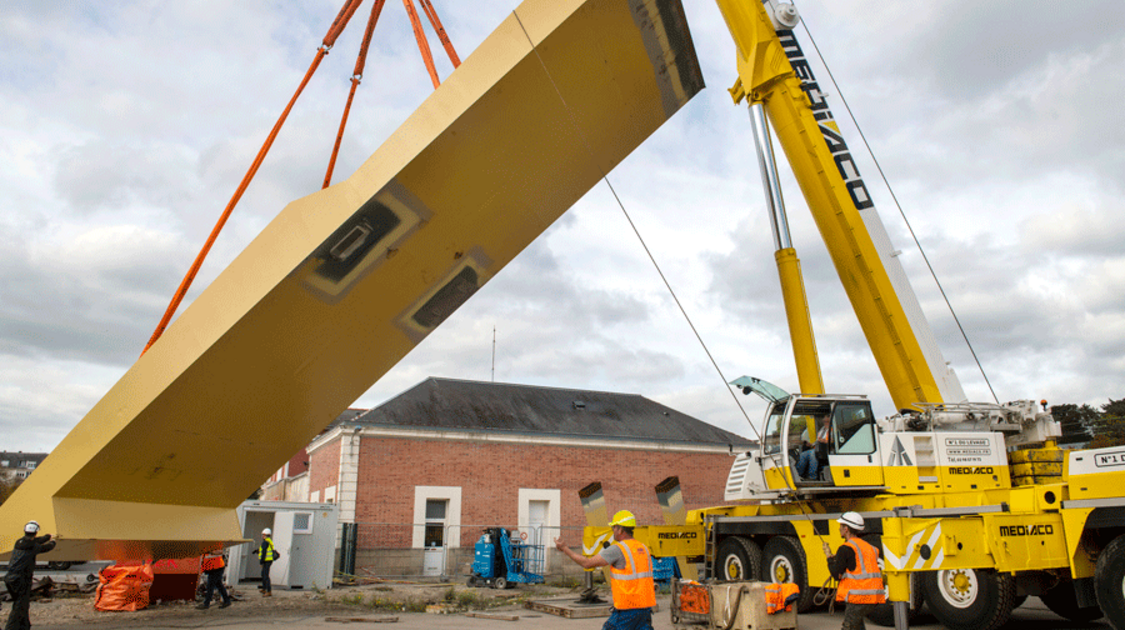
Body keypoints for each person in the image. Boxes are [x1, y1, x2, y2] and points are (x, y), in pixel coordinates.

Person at [555, 510, 656, 630]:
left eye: (614, 527)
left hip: (627, 611)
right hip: (645, 610)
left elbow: (587, 563)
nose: (613, 531)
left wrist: (565, 549)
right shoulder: (643, 548)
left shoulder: (618, 549)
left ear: (621, 529)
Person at [822, 512, 884, 630]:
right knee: (857, 625)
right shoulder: (869, 547)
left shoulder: (845, 548)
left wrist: (829, 557)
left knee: (849, 627)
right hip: (874, 597)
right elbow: (858, 565)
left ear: (846, 529)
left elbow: (836, 574)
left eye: (841, 526)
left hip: (859, 597)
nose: (839, 529)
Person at [4, 520, 56, 630]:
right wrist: (53, 542)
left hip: (10, 578)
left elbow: (37, 540)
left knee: (23, 603)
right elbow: (46, 548)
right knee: (19, 605)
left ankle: (24, 626)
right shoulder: (32, 546)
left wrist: (48, 536)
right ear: (36, 532)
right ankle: (11, 628)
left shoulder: (20, 542)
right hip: (21, 579)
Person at [797, 415, 830, 480]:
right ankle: (799, 474)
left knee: (813, 454)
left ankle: (812, 476)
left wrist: (822, 440)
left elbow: (832, 440)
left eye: (826, 421)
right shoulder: (823, 429)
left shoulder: (832, 429)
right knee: (803, 454)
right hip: (818, 447)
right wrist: (811, 444)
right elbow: (818, 439)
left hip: (826, 449)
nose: (824, 422)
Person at [256, 528, 281, 597]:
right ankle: (264, 588)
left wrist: (261, 561)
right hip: (269, 560)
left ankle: (268, 591)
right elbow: (266, 550)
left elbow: (264, 552)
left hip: (266, 560)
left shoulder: (265, 542)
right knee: (263, 574)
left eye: (262, 535)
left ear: (264, 535)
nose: (262, 536)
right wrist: (258, 551)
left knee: (265, 575)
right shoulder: (269, 541)